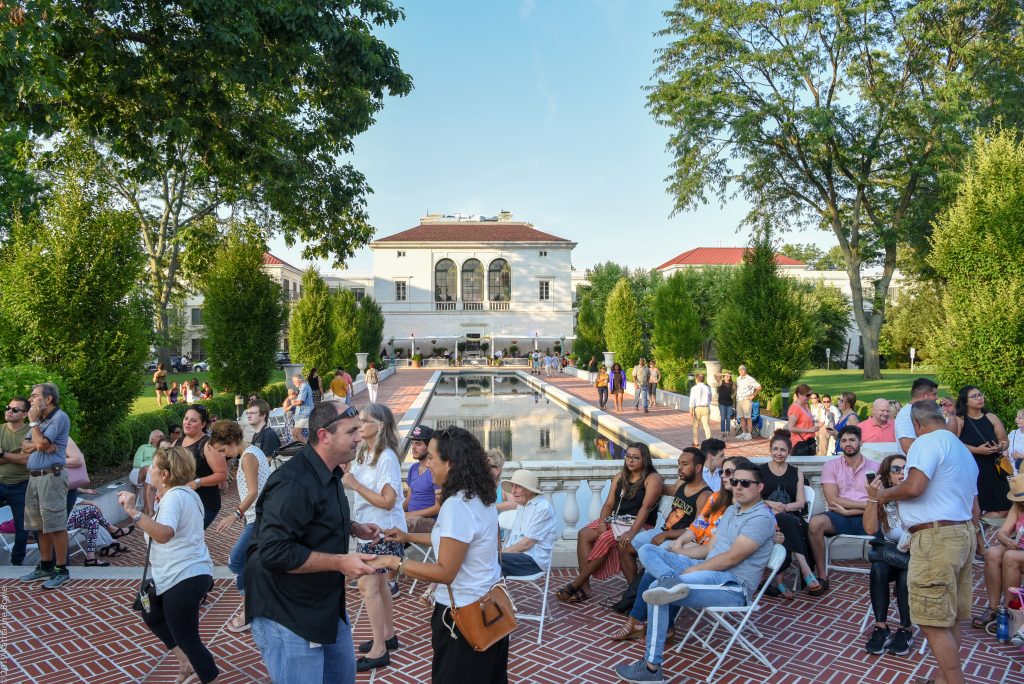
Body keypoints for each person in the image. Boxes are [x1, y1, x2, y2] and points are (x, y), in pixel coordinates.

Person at [245, 402, 380, 684]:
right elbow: (274, 552)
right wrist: (341, 562)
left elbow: (312, 518)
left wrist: (353, 528)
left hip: (325, 605)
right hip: (287, 612)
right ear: (324, 435)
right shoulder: (294, 482)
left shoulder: (331, 472)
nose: (360, 436)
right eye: (352, 431)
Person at [612, 459, 776, 684]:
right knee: (650, 549)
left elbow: (730, 559)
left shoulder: (760, 518)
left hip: (731, 585)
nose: (738, 486)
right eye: (735, 481)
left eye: (745, 483)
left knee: (657, 590)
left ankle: (651, 668)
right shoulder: (731, 510)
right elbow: (709, 548)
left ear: (759, 487)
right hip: (709, 570)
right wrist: (676, 551)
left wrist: (689, 571)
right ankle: (669, 579)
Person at [376, 426, 507, 683]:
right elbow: (452, 541)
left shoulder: (457, 505)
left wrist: (394, 562)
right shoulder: (481, 496)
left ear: (451, 464)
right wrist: (407, 537)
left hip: (463, 617)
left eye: (432, 458)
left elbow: (446, 572)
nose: (428, 464)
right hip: (490, 610)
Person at [876, 400, 977, 684]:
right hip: (962, 532)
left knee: (932, 622)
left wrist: (882, 495)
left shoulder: (926, 442)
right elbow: (975, 507)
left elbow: (914, 487)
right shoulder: (962, 449)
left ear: (917, 424)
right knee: (950, 617)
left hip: (936, 539)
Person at [610, 456, 742, 643]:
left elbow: (712, 549)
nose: (725, 477)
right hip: (693, 547)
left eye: (731, 473)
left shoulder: (738, 510)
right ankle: (646, 623)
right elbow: (697, 525)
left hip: (710, 560)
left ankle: (643, 622)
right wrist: (679, 542)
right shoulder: (715, 499)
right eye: (723, 472)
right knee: (654, 562)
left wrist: (678, 550)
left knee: (661, 570)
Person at [118, 445, 218, 683]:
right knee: (152, 613)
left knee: (188, 638)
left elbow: (164, 534)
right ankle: (186, 664)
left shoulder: (174, 497)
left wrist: (133, 512)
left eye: (153, 466)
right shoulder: (184, 494)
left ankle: (207, 675)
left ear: (164, 474)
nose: (149, 470)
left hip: (183, 576)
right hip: (184, 573)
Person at [343, 403, 406, 672]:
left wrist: (355, 484)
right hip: (370, 531)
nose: (360, 426)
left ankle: (380, 649)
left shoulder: (387, 457)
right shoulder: (364, 453)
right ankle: (388, 636)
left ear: (380, 425)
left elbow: (389, 501)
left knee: (368, 588)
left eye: (364, 421)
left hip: (384, 532)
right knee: (379, 587)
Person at [556, 443, 662, 603]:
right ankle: (585, 587)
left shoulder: (652, 479)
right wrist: (601, 524)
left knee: (605, 538)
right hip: (617, 521)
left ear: (645, 459)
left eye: (636, 458)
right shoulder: (620, 477)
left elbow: (645, 509)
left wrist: (631, 532)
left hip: (640, 525)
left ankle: (576, 583)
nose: (630, 461)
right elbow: (608, 504)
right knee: (583, 534)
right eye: (628, 456)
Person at [807, 425, 879, 595]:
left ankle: (893, 577)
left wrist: (851, 509)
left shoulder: (876, 467)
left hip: (868, 517)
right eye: (844, 440)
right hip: (839, 516)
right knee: (815, 523)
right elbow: (833, 501)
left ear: (860, 442)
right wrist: (867, 504)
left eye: (852, 440)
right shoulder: (831, 466)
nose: (848, 444)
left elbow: (880, 500)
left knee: (891, 528)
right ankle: (822, 576)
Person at [215, 434, 272, 634]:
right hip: (257, 516)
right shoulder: (252, 451)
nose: (223, 455)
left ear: (231, 441)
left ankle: (249, 611)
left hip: (257, 517)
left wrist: (235, 515)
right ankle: (255, 606)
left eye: (223, 450)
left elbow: (253, 491)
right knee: (250, 563)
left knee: (236, 561)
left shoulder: (248, 456)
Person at [19, 383, 72, 589]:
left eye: (34, 396)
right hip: (34, 478)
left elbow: (39, 444)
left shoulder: (59, 418)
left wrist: (35, 429)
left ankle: (61, 569)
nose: (30, 400)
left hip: (52, 477)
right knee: (40, 525)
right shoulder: (40, 421)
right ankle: (46, 565)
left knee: (56, 524)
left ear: (48, 399)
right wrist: (43, 444)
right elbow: (25, 447)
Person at [862, 453, 914, 656]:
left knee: (905, 577)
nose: (901, 473)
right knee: (878, 569)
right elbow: (869, 529)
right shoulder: (883, 500)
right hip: (892, 554)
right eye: (896, 469)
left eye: (905, 469)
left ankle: (906, 629)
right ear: (887, 475)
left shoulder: (919, 496)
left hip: (915, 556)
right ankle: (881, 627)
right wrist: (872, 498)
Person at [759, 430, 815, 597]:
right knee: (788, 523)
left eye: (783, 450)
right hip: (766, 516)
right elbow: (754, 497)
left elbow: (800, 502)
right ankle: (804, 570)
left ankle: (781, 581)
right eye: (775, 449)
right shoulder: (760, 471)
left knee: (787, 522)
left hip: (790, 515)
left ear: (789, 452)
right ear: (770, 450)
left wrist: (783, 507)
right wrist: (772, 504)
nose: (779, 453)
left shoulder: (796, 472)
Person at [627, 447, 712, 554]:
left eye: (685, 464)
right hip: (664, 530)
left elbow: (697, 530)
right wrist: (646, 475)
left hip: (679, 540)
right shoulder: (681, 484)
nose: (679, 468)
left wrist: (665, 535)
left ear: (698, 468)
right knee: (628, 545)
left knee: (655, 554)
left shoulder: (704, 496)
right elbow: (662, 489)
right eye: (679, 463)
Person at [953, 385, 1010, 531]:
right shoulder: (960, 420)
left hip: (995, 468)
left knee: (1006, 507)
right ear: (965, 401)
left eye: (981, 394)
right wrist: (976, 450)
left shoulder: (991, 417)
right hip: (972, 470)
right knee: (975, 509)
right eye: (975, 396)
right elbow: (953, 444)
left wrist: (999, 447)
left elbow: (1004, 441)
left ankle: (980, 527)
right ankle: (979, 539)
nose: (980, 398)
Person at [975, 474, 1024, 632]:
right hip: (1019, 548)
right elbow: (1002, 532)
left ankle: (1010, 612)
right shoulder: (1017, 507)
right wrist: (1006, 539)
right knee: (992, 553)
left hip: (1017, 553)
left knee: (1010, 557)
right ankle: (994, 608)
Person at [174, 405, 228, 530]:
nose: (187, 423)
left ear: (203, 424)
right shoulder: (177, 442)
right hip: (182, 502)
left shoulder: (208, 445)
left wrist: (198, 482)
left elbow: (222, 474)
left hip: (204, 504)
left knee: (187, 539)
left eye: (193, 420)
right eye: (186, 418)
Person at [499, 469, 557, 577]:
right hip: (517, 556)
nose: (513, 491)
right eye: (512, 486)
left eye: (518, 487)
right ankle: (488, 592)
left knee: (488, 562)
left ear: (529, 490)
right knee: (483, 559)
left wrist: (500, 554)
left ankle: (485, 592)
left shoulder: (542, 508)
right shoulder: (522, 505)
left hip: (533, 562)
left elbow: (526, 544)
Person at [0, 396, 31, 565]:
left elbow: (28, 460)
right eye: (8, 408)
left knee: (22, 526)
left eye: (15, 410)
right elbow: (22, 457)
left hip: (22, 484)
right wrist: (17, 455)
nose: (9, 411)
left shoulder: (30, 432)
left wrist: (3, 453)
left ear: (25, 414)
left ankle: (16, 562)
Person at [66, 497, 134, 566]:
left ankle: (90, 558)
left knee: (94, 521)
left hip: (71, 519)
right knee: (93, 510)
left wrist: (86, 492)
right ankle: (113, 531)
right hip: (63, 521)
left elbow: (73, 498)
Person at [405, 425, 441, 534]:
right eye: (412, 443)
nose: (413, 448)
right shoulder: (413, 469)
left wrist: (410, 515)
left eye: (418, 444)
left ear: (429, 446)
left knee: (402, 523)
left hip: (429, 522)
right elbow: (408, 501)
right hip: (411, 520)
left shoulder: (435, 471)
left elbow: (438, 508)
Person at [894, 377, 939, 455]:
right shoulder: (906, 414)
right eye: (934, 394)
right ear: (925, 395)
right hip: (918, 465)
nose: (937, 398)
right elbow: (907, 446)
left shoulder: (927, 412)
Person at [130, 430, 164, 516]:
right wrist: (150, 466)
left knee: (152, 472)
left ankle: (150, 510)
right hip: (138, 472)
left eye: (163, 436)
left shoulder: (163, 448)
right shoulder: (143, 447)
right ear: (152, 439)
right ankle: (147, 510)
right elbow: (136, 464)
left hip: (154, 474)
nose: (163, 438)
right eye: (160, 436)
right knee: (148, 469)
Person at [785, 383, 819, 455]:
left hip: (809, 442)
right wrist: (808, 430)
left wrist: (813, 428)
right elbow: (791, 428)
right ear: (799, 395)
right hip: (800, 444)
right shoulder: (795, 408)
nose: (810, 397)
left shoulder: (805, 405)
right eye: (807, 395)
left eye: (810, 395)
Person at [735, 365, 762, 440]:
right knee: (741, 417)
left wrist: (753, 395)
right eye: (740, 370)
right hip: (739, 400)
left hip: (746, 400)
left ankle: (749, 434)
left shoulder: (750, 379)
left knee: (748, 417)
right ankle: (744, 432)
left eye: (743, 370)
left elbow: (759, 387)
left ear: (745, 370)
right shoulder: (738, 378)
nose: (741, 371)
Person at [688, 373, 712, 446]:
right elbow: (710, 398)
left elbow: (692, 400)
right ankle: (709, 442)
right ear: (703, 379)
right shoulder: (707, 387)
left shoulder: (694, 388)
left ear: (696, 379)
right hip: (706, 407)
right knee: (706, 425)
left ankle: (695, 442)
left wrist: (691, 410)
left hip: (697, 408)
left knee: (695, 426)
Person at [714, 370, 735, 436]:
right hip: (722, 403)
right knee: (723, 417)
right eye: (726, 376)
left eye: (728, 376)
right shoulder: (721, 382)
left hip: (729, 403)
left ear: (730, 377)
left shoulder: (732, 383)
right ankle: (723, 432)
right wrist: (724, 373)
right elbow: (715, 375)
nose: (727, 377)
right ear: (724, 376)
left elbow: (735, 391)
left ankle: (727, 432)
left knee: (728, 418)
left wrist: (733, 395)